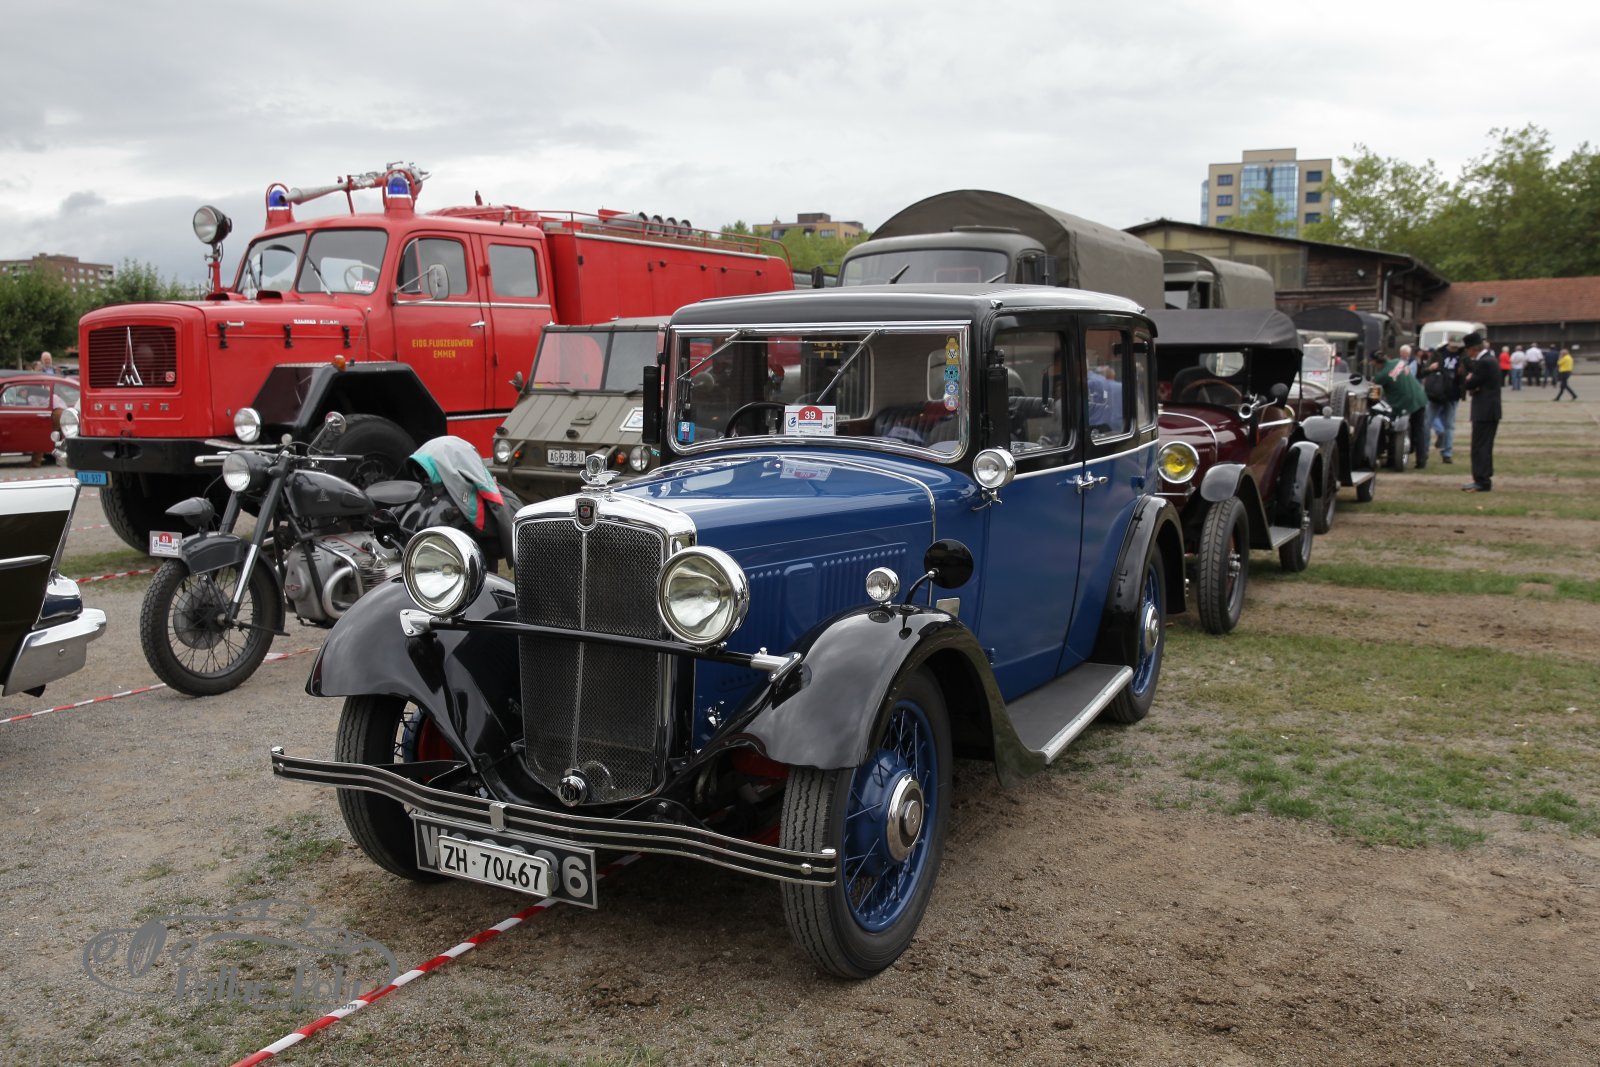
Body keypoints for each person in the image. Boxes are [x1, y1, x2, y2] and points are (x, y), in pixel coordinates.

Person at [1373, 346, 1429, 468]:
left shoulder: (1382, 375)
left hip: (1405, 403)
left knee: (1394, 428)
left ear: (1375, 362)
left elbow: (1374, 388)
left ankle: (1392, 458)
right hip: (1419, 396)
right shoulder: (1398, 362)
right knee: (1419, 430)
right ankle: (1421, 461)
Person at [1461, 332, 1500, 491]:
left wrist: (1469, 380)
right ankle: (1484, 478)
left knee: (1479, 446)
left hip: (1484, 410)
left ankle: (1481, 480)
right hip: (1491, 410)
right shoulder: (1491, 359)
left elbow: (1470, 383)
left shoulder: (1483, 362)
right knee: (1485, 446)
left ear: (1472, 349)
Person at [1421, 341, 1468, 464]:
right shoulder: (1438, 354)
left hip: (1453, 394)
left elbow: (1468, 372)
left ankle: (1447, 453)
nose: (1455, 348)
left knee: (1449, 425)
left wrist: (1464, 373)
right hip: (1436, 393)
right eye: (1453, 346)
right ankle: (1424, 452)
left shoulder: (1463, 355)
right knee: (1426, 423)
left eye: (1457, 346)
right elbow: (1423, 371)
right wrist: (1430, 368)